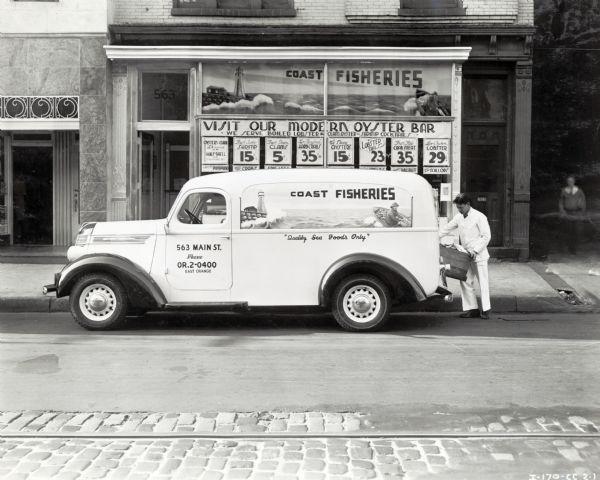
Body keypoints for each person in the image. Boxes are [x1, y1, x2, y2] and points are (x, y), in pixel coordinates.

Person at [439, 193, 492, 319]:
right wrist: (433, 237)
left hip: (479, 255)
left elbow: (486, 236)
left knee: (483, 282)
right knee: (465, 281)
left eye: (461, 207)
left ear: (468, 204)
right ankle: (471, 309)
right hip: (465, 255)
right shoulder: (459, 217)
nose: (459, 210)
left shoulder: (480, 217)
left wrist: (476, 250)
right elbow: (446, 229)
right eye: (458, 208)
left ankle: (486, 309)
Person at [559, 175, 586, 254]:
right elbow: (560, 202)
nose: (570, 182)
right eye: (568, 181)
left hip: (577, 213)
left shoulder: (579, 191)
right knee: (568, 230)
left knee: (577, 231)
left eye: (571, 181)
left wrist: (582, 212)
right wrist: (562, 211)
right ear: (567, 182)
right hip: (567, 213)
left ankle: (575, 248)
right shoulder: (564, 190)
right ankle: (570, 248)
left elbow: (583, 202)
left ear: (574, 181)